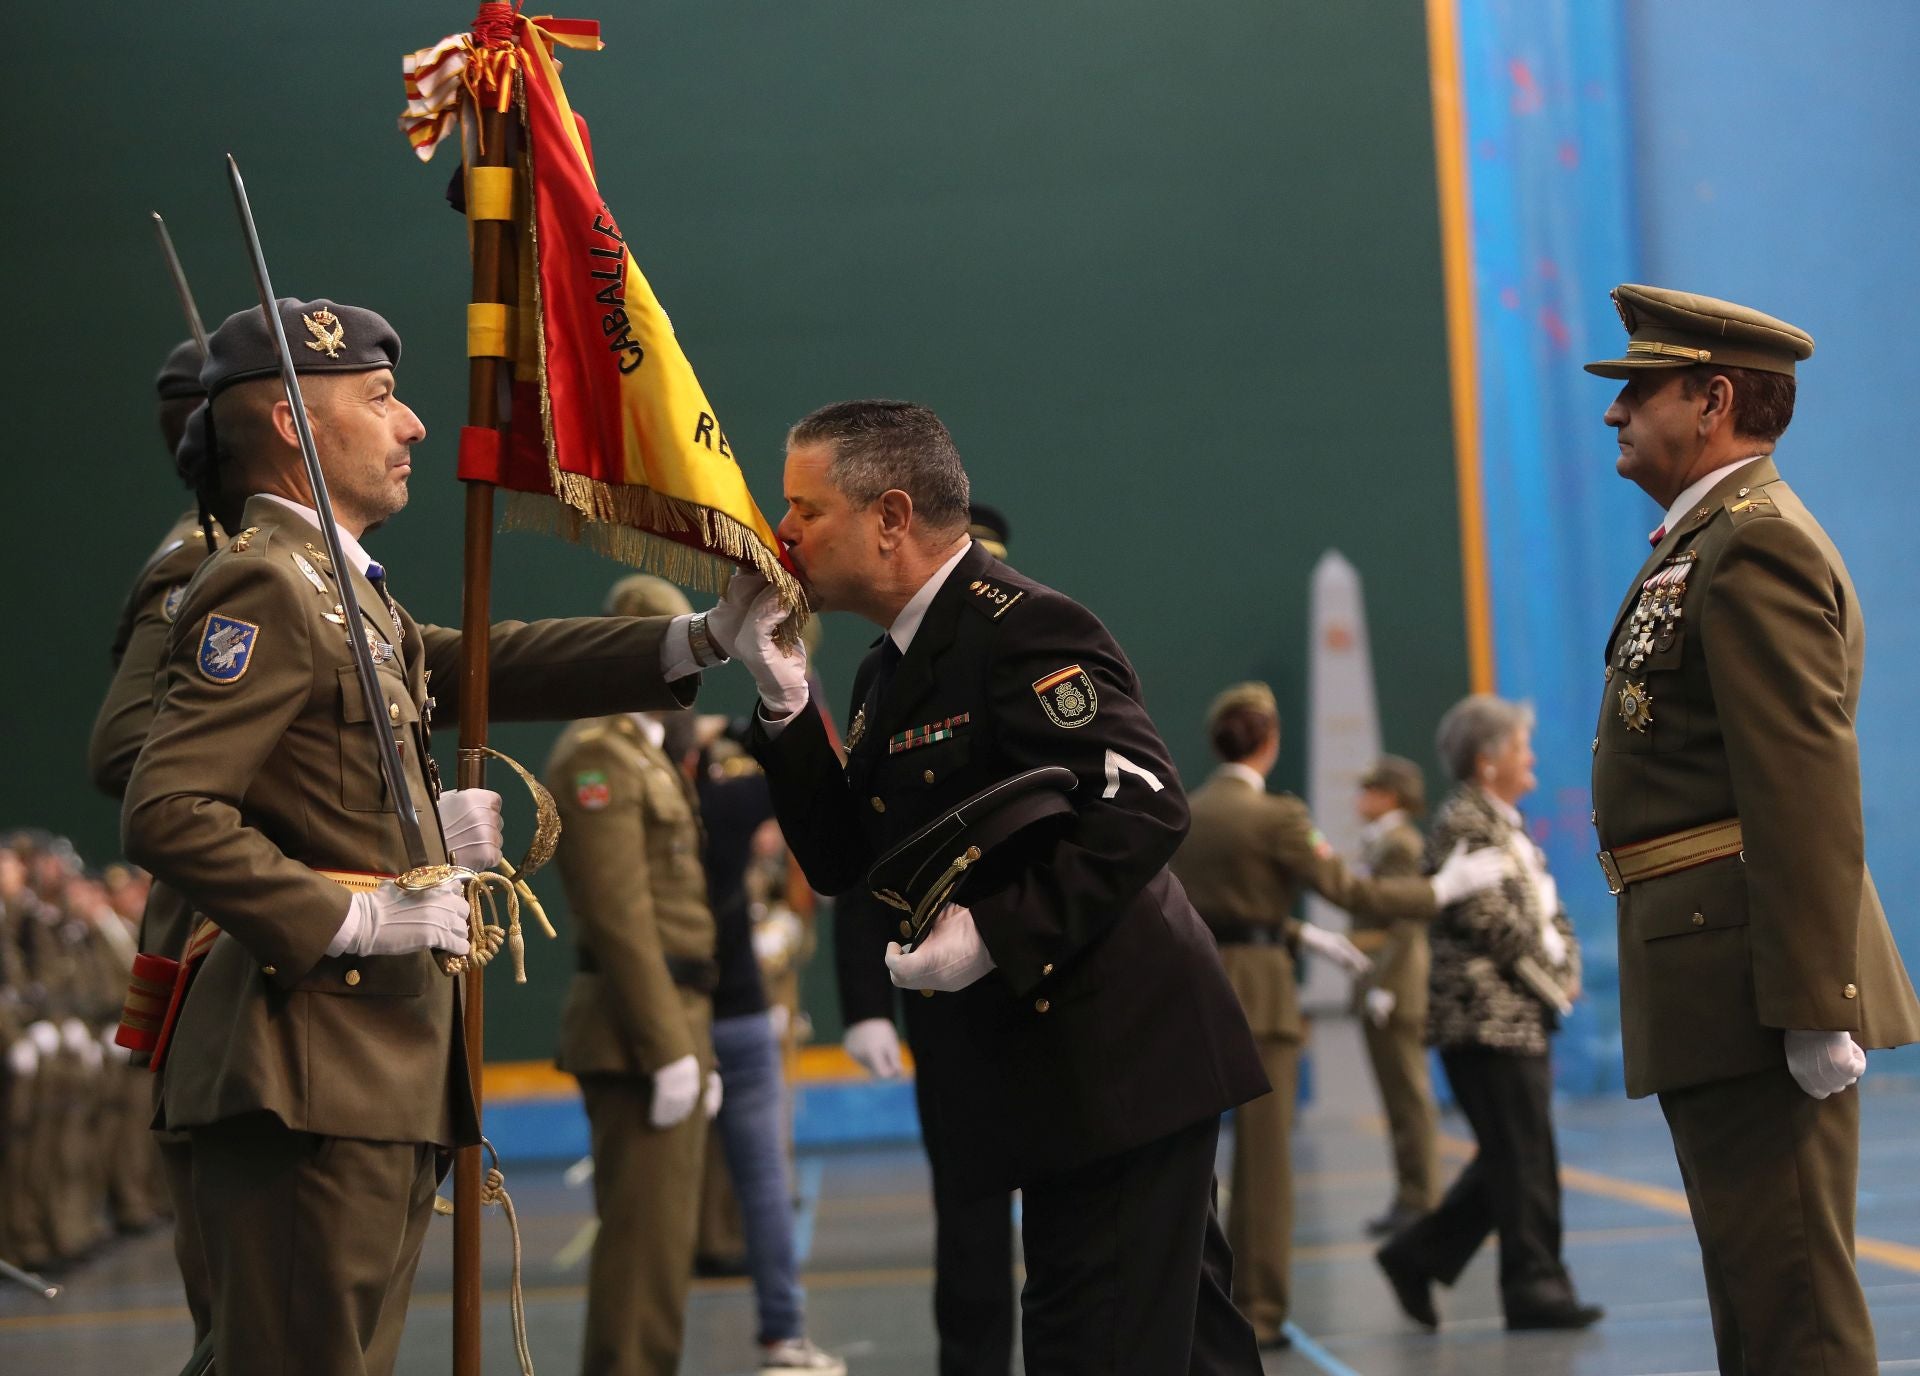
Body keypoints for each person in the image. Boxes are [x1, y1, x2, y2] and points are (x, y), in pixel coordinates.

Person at [120, 297, 731, 1376]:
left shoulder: (348, 596)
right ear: (292, 425)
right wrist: (355, 910)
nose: (412, 427)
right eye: (382, 398)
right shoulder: (269, 579)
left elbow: (488, 661)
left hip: (367, 1067)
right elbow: (167, 805)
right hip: (305, 1063)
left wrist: (694, 640)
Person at [721, 399, 1269, 1374]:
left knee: (1091, 1343)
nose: (783, 532)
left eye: (804, 507)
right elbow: (847, 859)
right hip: (1056, 1074)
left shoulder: (1023, 629)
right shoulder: (888, 669)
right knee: (1191, 1349)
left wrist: (993, 931)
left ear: (891, 516)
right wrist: (786, 702)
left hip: (1115, 1063)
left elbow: (1142, 805)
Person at [1585, 284, 1920, 1374]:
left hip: (1750, 977)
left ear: (1714, 398)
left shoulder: (1755, 546)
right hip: (1711, 963)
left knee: (1793, 1307)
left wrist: (1818, 1000)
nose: (1614, 413)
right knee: (1757, 1293)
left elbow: (1804, 783)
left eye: (1639, 390)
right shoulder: (1707, 543)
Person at [1169, 684, 1507, 1350]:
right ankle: (1258, 1312)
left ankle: (1186, 1310)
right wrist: (1439, 889)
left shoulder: (1185, 814)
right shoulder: (1279, 819)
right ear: (1269, 742)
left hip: (1194, 994)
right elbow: (1351, 890)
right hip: (1264, 999)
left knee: (1186, 1169)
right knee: (1264, 1169)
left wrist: (1294, 933)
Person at [837, 499, 1020, 1376]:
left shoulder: (1034, 647)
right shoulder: (883, 678)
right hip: (946, 1002)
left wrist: (1004, 936)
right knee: (972, 1213)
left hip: (1042, 978)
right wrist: (865, 1003)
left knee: (1084, 1218)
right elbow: (868, 856)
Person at [1376, 694, 1602, 1332]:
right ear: (1487, 759)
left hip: (1516, 1015)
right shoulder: (1465, 823)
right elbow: (1486, 920)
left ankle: (1416, 1257)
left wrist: (1564, 970)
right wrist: (1556, 982)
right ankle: (1535, 1288)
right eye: (1520, 747)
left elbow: (1545, 913)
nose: (1531, 758)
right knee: (1522, 1157)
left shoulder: (1503, 822)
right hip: (1485, 1019)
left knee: (1514, 1155)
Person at [1350, 755, 1441, 1237]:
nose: (1360, 799)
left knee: (1409, 1097)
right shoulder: (1384, 841)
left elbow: (1406, 921)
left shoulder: (1399, 844)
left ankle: (1420, 1197)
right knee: (1397, 1096)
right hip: (1381, 979)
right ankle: (1410, 1193)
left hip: (1395, 983)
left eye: (1369, 789)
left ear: (1390, 795)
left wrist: (1384, 984)